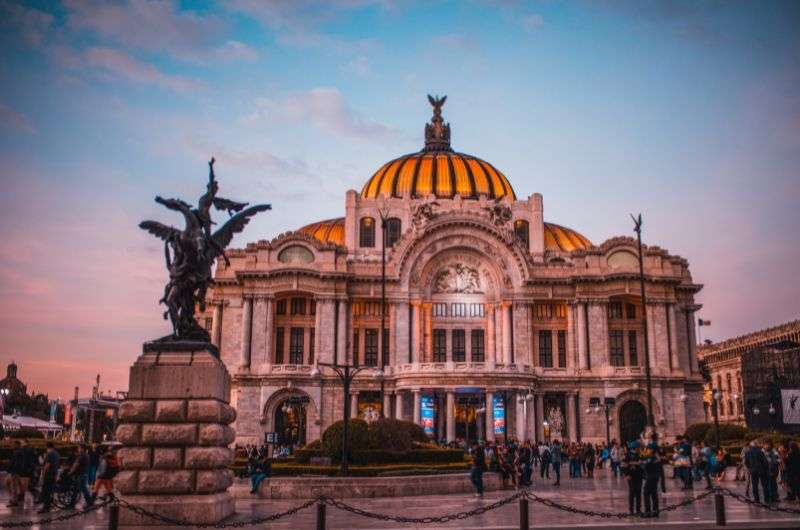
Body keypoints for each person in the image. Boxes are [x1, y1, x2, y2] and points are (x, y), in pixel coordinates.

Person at [642, 434, 665, 518]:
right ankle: (655, 511)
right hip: (656, 475)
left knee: (646, 492)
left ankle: (648, 511)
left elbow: (645, 462)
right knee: (654, 492)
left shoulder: (651, 453)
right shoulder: (657, 454)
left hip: (651, 475)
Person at [66, 445, 94, 509]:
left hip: (81, 474)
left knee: (83, 489)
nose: (78, 449)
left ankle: (89, 502)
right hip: (83, 474)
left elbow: (76, 465)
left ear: (82, 449)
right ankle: (72, 504)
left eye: (79, 448)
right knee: (76, 489)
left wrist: (70, 472)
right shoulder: (86, 455)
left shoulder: (82, 456)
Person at [37, 442, 61, 514]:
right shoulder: (57, 454)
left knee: (46, 491)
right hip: (54, 474)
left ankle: (45, 507)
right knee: (50, 491)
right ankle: (48, 505)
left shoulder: (50, 454)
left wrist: (43, 474)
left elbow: (47, 465)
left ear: (47, 447)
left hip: (49, 475)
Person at [625, 449, 644, 516]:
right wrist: (626, 474)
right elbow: (625, 463)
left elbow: (642, 463)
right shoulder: (628, 454)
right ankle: (631, 510)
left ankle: (638, 510)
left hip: (639, 476)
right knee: (632, 493)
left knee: (638, 493)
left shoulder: (641, 453)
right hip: (631, 476)